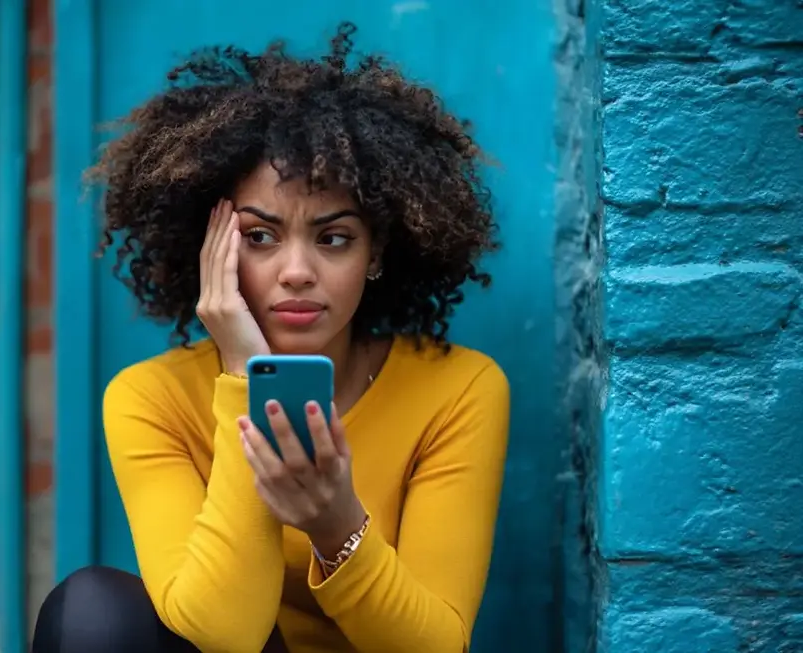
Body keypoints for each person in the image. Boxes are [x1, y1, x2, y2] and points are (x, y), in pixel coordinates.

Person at [32, 22, 510, 653]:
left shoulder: (457, 390)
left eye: (333, 238)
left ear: (375, 252)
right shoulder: (151, 400)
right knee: (93, 611)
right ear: (212, 250)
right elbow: (222, 633)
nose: (296, 271)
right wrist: (242, 380)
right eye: (260, 237)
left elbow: (437, 647)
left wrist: (335, 522)